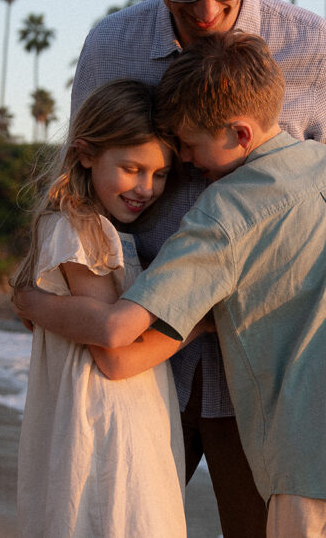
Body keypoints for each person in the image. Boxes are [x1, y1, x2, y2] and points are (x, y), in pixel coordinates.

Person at [60, 0, 326, 534]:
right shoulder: (111, 48)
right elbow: (81, 189)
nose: (209, 12)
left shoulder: (316, 52)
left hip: (268, 378)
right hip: (138, 358)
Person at [16, 32, 326, 537]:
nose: (185, 160)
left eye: (188, 143)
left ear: (239, 134)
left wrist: (31, 298)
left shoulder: (225, 212)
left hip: (323, 456)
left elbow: (117, 335)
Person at [11, 79, 204, 537]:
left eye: (160, 174)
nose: (147, 187)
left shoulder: (103, 233)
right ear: (85, 153)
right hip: (107, 428)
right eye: (132, 168)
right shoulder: (81, 229)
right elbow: (115, 356)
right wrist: (198, 324)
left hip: (120, 421)